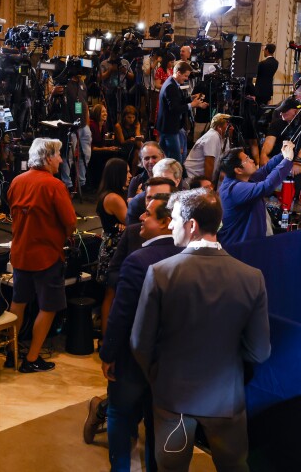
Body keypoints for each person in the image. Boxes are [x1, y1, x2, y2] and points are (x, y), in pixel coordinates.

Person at [131, 189, 271, 471]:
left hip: (172, 397)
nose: (170, 225)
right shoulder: (251, 277)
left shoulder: (160, 273)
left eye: (173, 219)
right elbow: (259, 351)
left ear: (191, 225)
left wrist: (157, 376)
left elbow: (139, 343)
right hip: (225, 398)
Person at [97, 194, 182, 469]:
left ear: (167, 222)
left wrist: (108, 353)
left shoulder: (138, 260)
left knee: (120, 416)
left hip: (133, 360)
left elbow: (122, 315)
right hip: (170, 363)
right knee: (159, 424)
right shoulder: (188, 256)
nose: (140, 219)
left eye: (148, 214)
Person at [7, 138, 77, 373]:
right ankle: (32, 358)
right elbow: (70, 222)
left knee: (18, 303)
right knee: (48, 307)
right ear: (48, 158)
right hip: (46, 256)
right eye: (58, 155)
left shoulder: (17, 181)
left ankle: (11, 352)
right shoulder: (54, 185)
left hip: (20, 254)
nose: (60, 159)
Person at [218, 142, 295, 245]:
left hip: (248, 245)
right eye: (247, 160)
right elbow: (267, 186)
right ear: (238, 170)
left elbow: (266, 170)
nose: (252, 160)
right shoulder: (233, 189)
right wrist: (287, 160)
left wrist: (282, 154)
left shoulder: (243, 178)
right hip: (238, 248)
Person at [95, 158, 131, 339]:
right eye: (127, 172)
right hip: (114, 249)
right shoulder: (114, 198)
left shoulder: (108, 195)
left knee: (111, 293)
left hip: (110, 246)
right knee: (111, 294)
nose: (130, 176)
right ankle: (106, 338)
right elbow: (130, 221)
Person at [156, 60, 208, 162]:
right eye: (185, 76)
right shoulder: (170, 86)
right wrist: (191, 105)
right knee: (176, 158)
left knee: (173, 155)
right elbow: (174, 109)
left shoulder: (172, 82)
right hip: (169, 128)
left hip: (171, 127)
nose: (186, 79)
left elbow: (178, 100)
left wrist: (191, 98)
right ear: (178, 73)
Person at [127, 158, 182, 225]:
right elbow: (133, 232)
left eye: (166, 180)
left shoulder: (183, 203)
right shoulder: (137, 203)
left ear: (177, 182)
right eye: (157, 179)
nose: (160, 184)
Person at [184, 113, 232, 184]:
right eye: (228, 125)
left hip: (202, 178)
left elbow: (225, 160)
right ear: (219, 127)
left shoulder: (225, 138)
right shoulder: (212, 136)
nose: (232, 128)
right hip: (192, 179)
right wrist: (208, 185)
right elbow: (209, 163)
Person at [260, 96, 301, 170]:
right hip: (279, 157)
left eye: (284, 111)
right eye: (281, 111)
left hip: (296, 159)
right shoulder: (276, 123)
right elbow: (269, 142)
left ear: (295, 111)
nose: (281, 114)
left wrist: (297, 162)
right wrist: (263, 154)